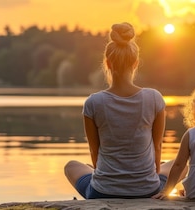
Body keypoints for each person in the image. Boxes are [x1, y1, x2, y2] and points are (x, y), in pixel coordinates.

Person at [64, 22, 173, 199]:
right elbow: (157, 146)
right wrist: (151, 178)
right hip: (148, 190)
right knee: (180, 164)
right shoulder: (154, 98)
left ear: (107, 63)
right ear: (136, 63)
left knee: (71, 166)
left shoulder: (93, 102)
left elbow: (95, 152)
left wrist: (104, 175)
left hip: (102, 192)